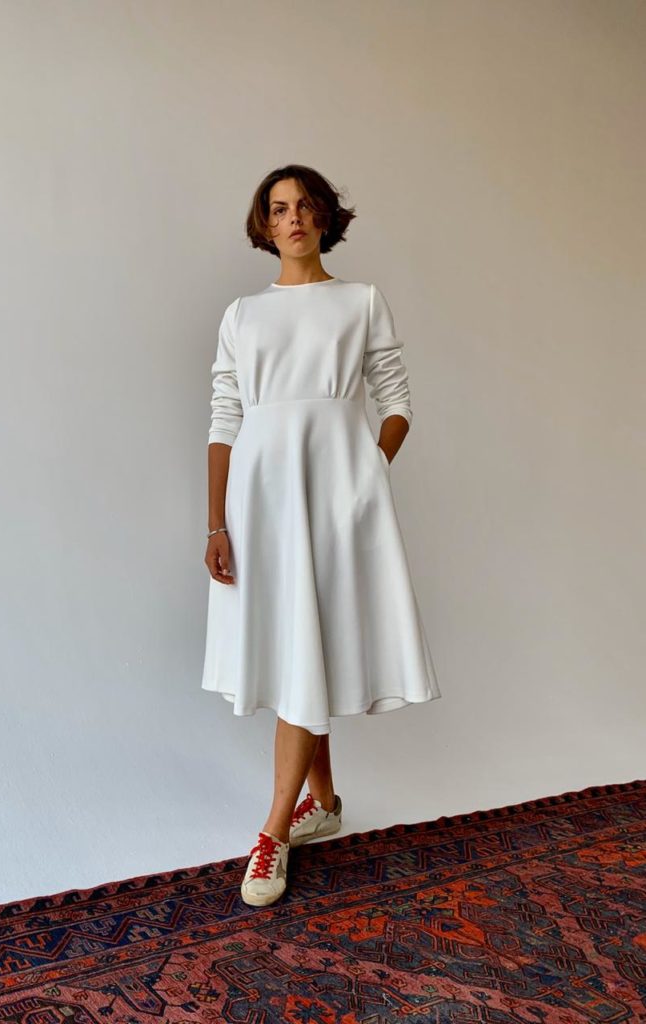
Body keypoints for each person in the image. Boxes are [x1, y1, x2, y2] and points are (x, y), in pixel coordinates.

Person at [202, 164, 442, 907]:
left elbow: (397, 402)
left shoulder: (360, 301)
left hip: (338, 496)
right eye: (279, 209)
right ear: (265, 225)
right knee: (296, 642)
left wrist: (368, 470)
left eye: (305, 206)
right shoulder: (243, 314)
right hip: (261, 500)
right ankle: (325, 803)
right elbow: (224, 418)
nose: (294, 219)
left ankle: (274, 830)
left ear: (325, 218)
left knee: (309, 643)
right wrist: (216, 521)